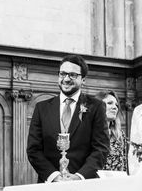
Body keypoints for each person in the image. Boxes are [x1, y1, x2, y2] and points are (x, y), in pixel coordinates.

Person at [27, 54, 110, 182]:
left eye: (72, 75)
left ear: (83, 79)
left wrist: (80, 176)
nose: (66, 79)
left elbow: (101, 149)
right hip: (49, 185)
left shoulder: (96, 107)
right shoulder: (41, 108)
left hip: (84, 185)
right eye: (62, 74)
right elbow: (34, 150)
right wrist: (54, 176)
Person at [94, 90, 127, 172]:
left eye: (116, 105)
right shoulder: (88, 131)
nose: (115, 107)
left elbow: (124, 164)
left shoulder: (120, 134)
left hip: (115, 182)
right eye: (109, 103)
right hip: (94, 181)